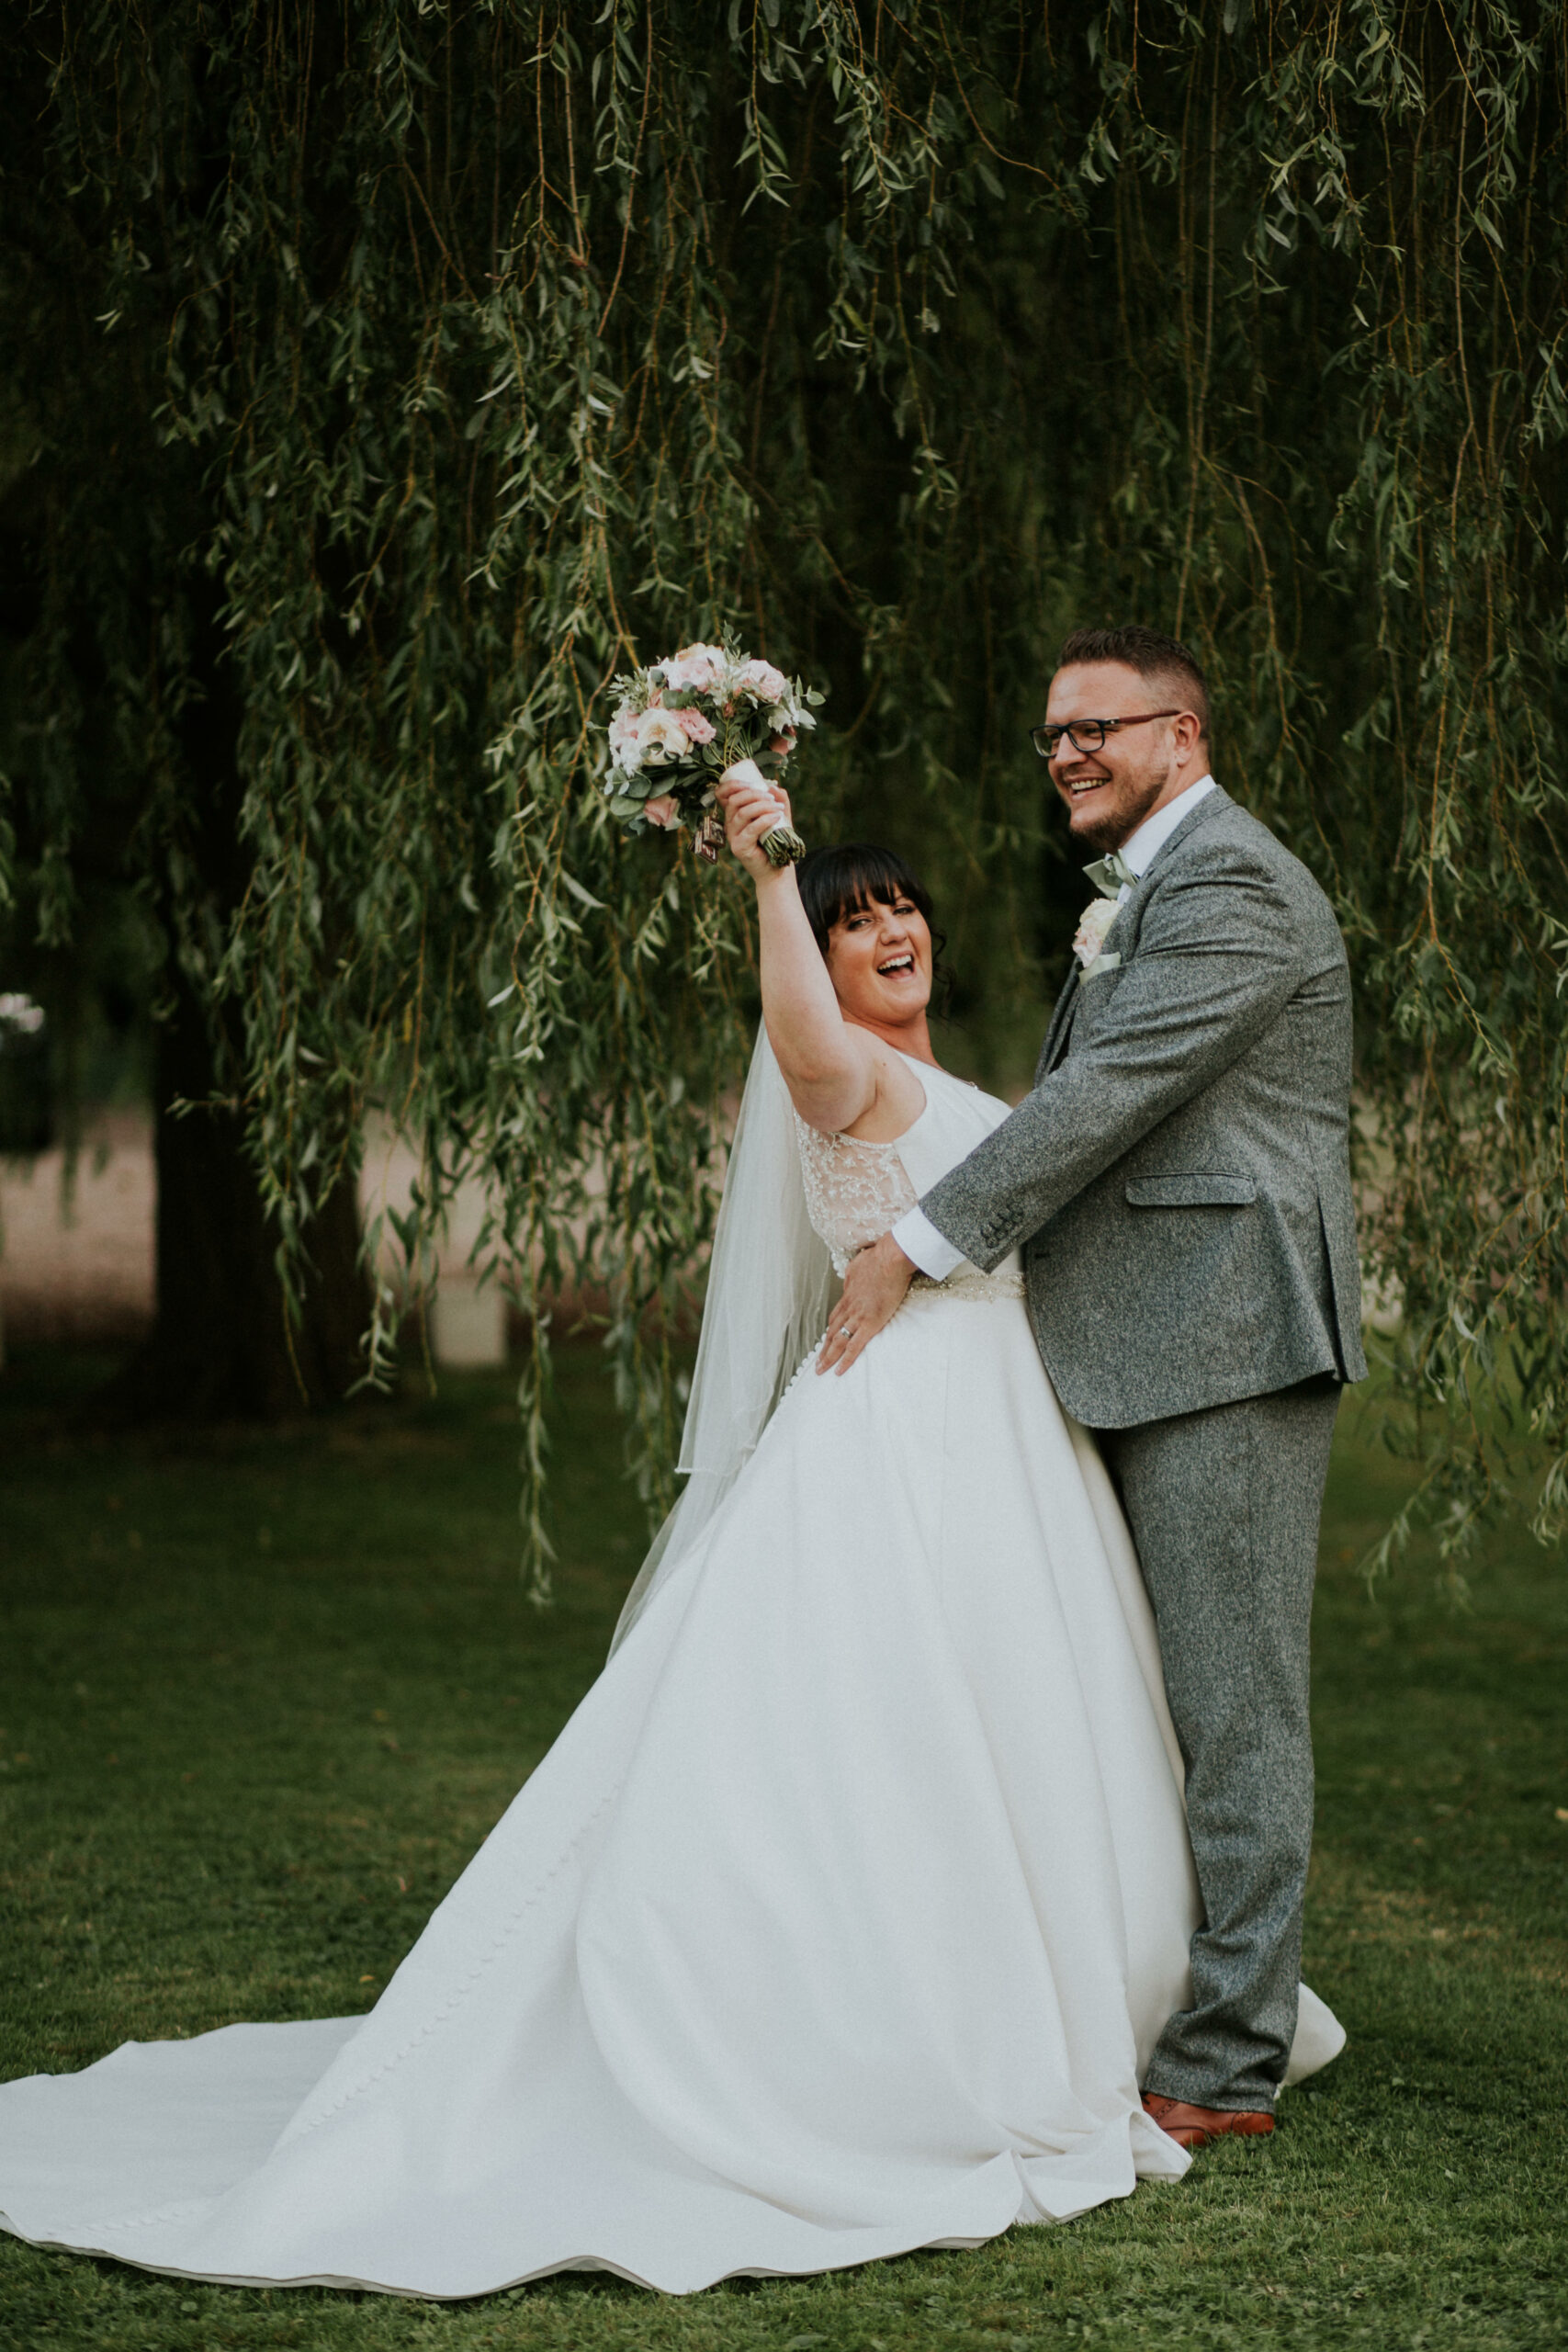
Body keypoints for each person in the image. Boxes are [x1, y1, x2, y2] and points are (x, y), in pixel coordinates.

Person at [0, 693, 1343, 2302]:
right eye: (860, 924)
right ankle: (898, 2027)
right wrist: (768, 864)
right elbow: (795, 1033)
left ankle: (1126, 2002)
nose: (890, 928)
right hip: (904, 1442)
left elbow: (1070, 1149)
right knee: (894, 1741)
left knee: (1044, 1727)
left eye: (898, 904)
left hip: (1016, 1442)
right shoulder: (835, 1068)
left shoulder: (969, 1073)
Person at [826, 621, 1366, 2149]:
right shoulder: (1156, 886)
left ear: (1181, 736)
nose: (1066, 753)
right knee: (1137, 1699)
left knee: (1234, 1708)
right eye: (1053, 734)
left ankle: (1227, 2061)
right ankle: (1138, 1995)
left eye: (1098, 730)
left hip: (1228, 1337)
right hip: (1146, 1335)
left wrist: (920, 1241)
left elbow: (1113, 1094)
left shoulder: (1236, 884)